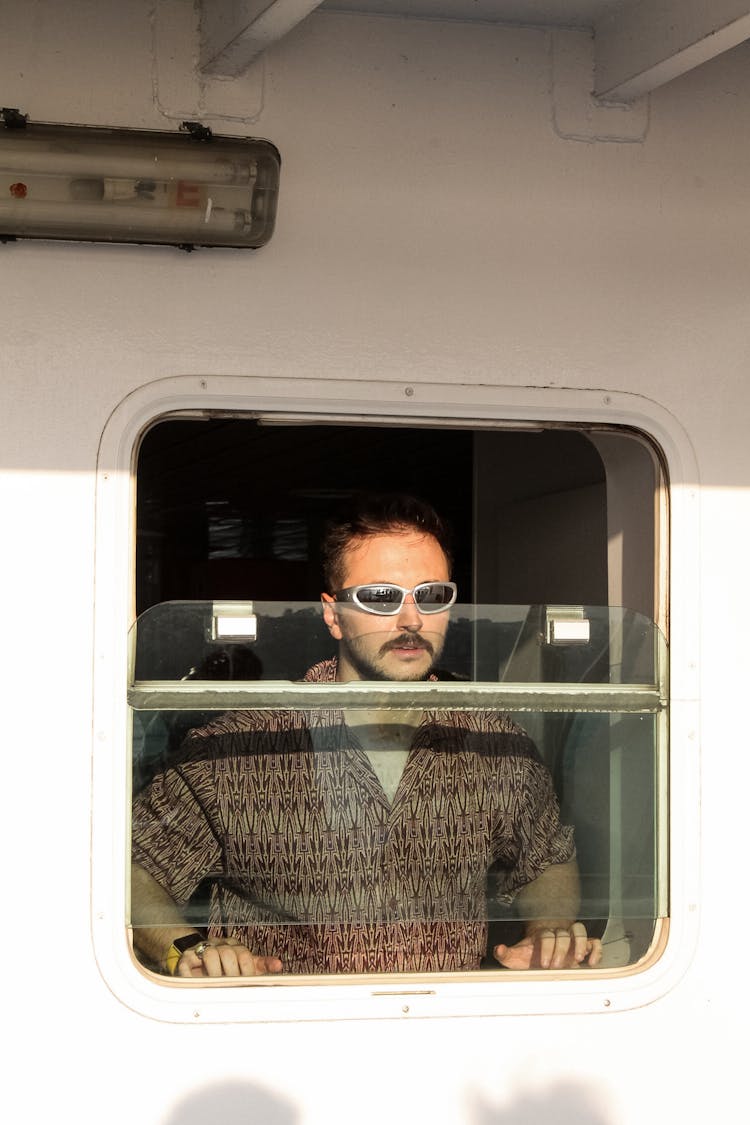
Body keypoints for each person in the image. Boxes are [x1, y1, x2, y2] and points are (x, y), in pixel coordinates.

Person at [131, 493, 602, 977]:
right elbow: (135, 868)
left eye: (432, 595)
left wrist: (549, 931)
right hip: (281, 1026)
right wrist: (186, 948)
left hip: (448, 1023)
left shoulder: (494, 739)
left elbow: (545, 857)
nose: (411, 620)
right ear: (333, 615)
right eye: (381, 597)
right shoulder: (237, 743)